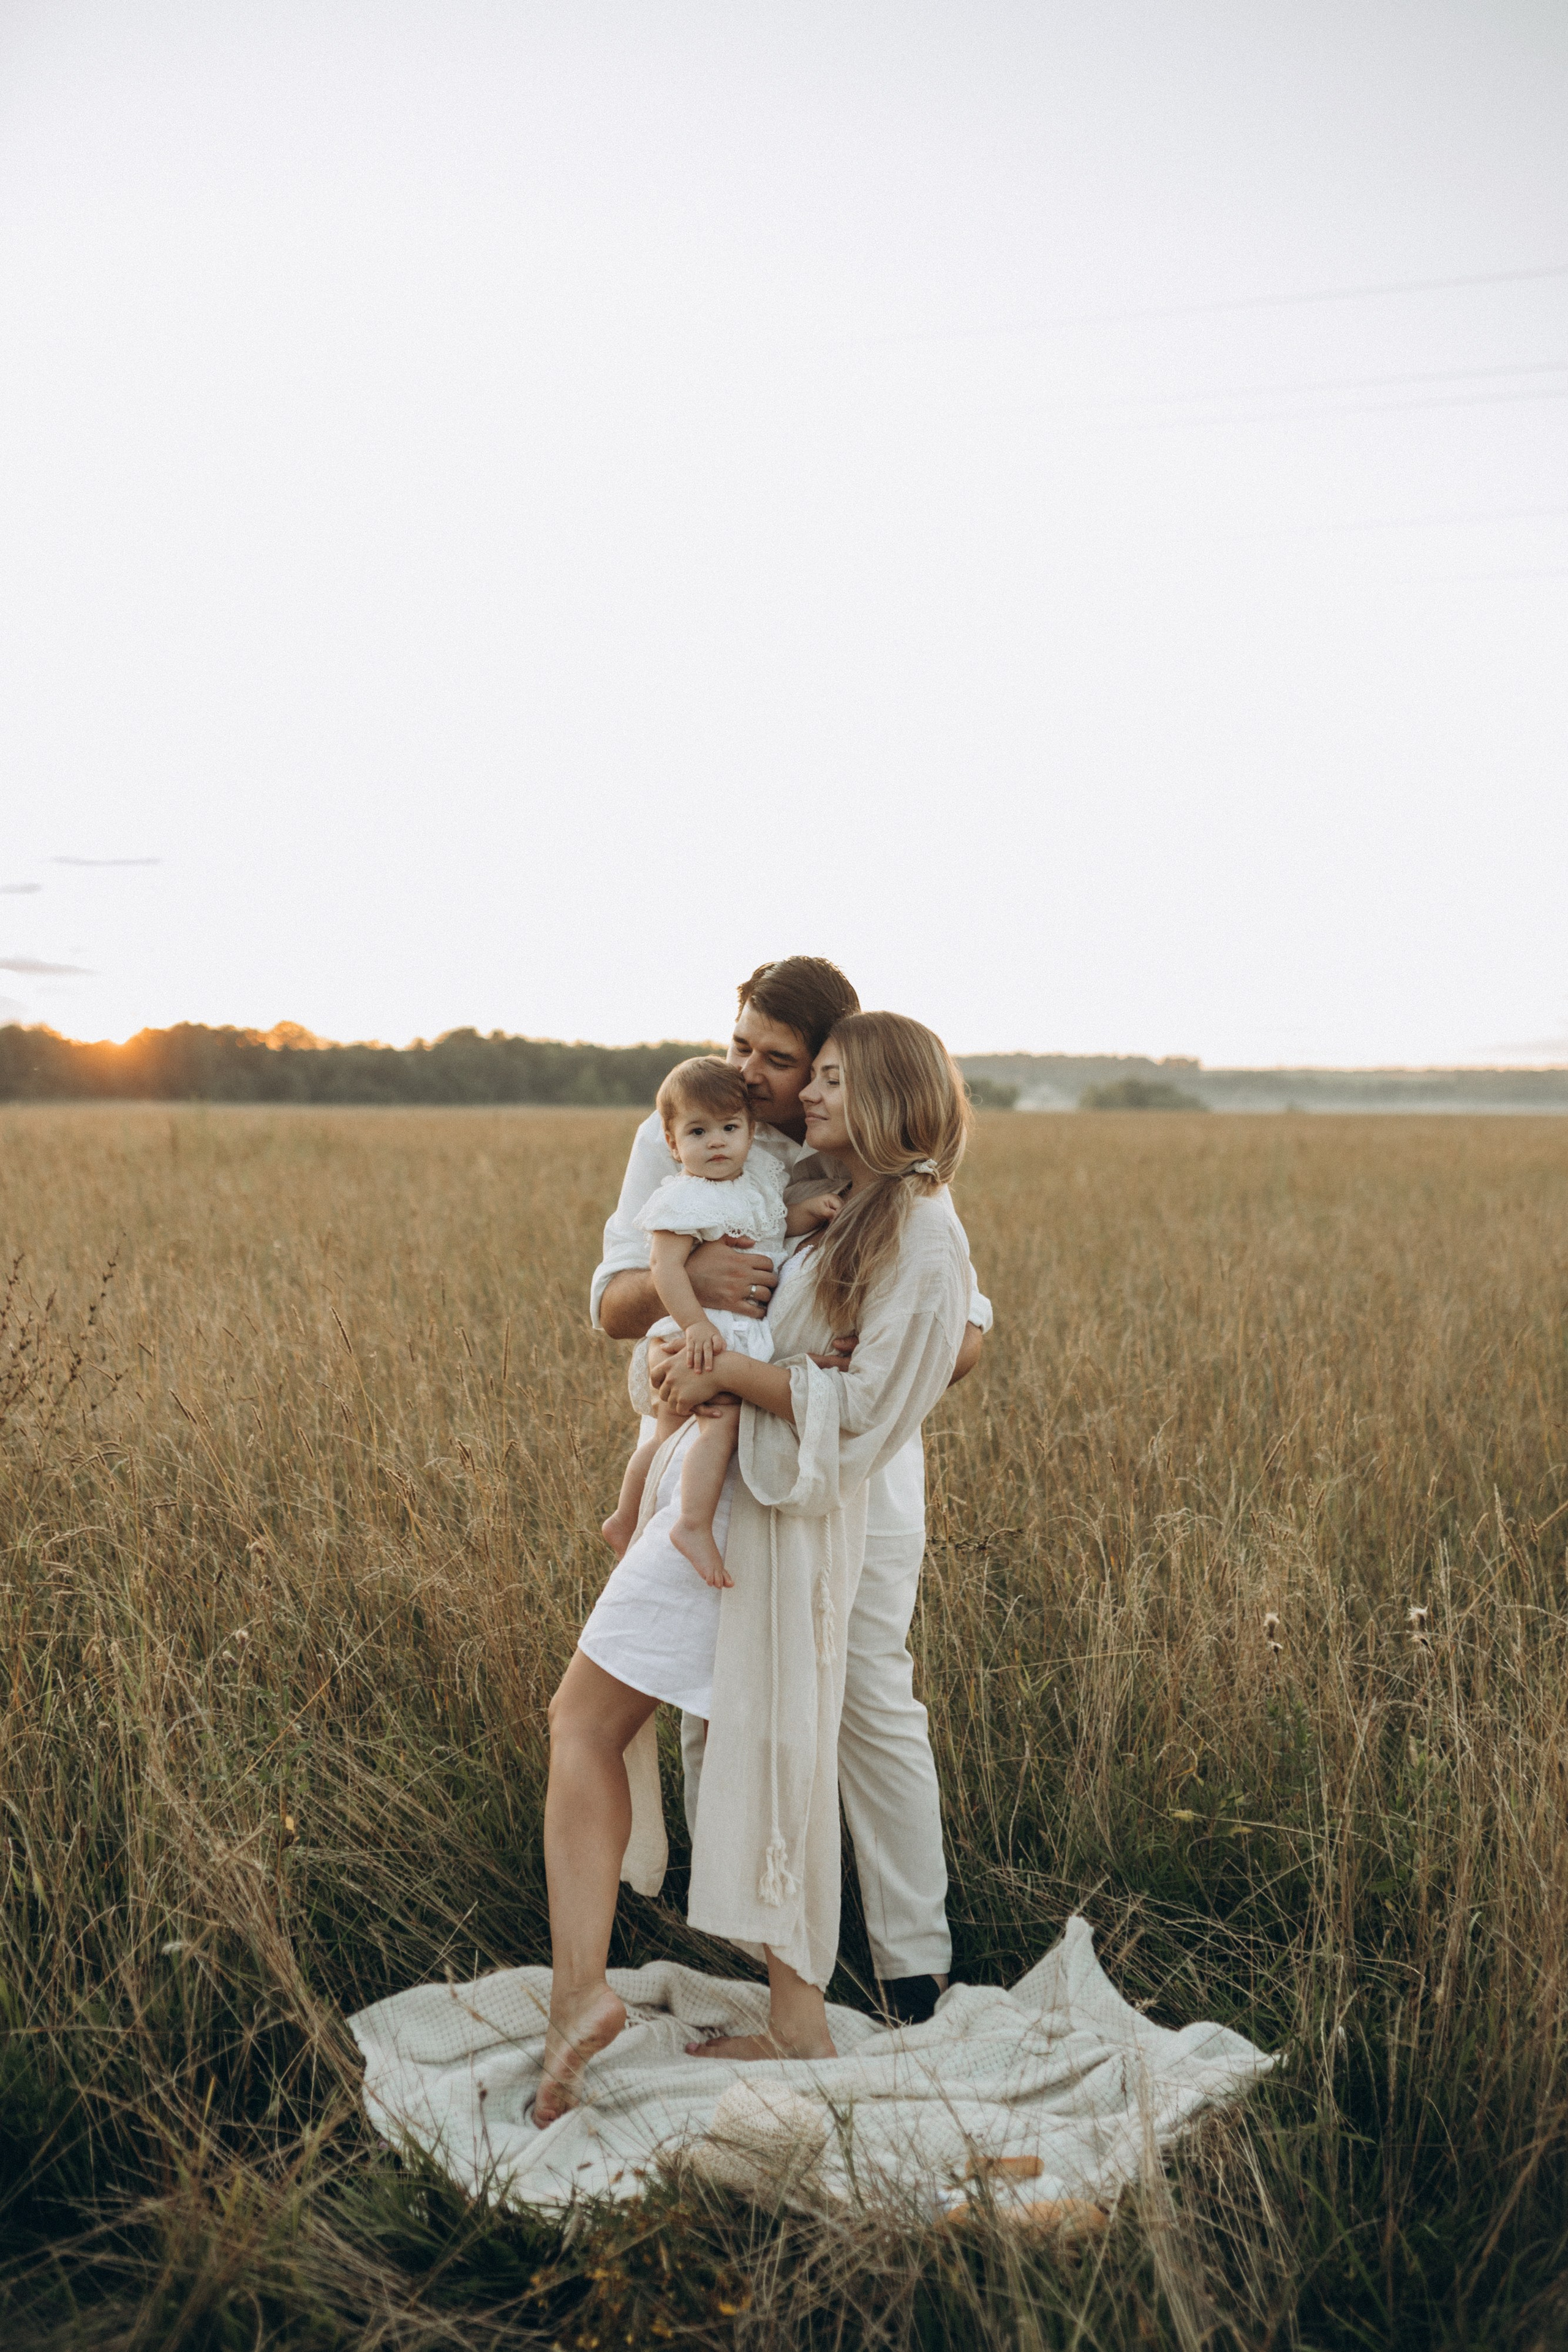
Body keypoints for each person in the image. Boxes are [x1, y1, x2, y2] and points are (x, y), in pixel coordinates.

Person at [538, 1011, 976, 2121]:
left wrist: (734, 1372)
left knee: (609, 1722)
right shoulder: (830, 1193)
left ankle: (598, 2001)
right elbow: (643, 1304)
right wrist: (702, 1356)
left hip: (764, 1507)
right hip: (733, 1491)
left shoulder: (917, 1224)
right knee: (761, 1741)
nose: (795, 1090)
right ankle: (788, 2017)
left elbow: (880, 1392)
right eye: (796, 1071)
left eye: (823, 1075)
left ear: (883, 1094)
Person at [600, 1054, 839, 1583]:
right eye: (698, 1132)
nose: (716, 1143)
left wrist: (812, 1211)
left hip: (728, 1329)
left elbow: (773, 1227)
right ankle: (692, 1523)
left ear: (750, 1132)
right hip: (704, 1330)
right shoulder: (683, 1198)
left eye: (729, 1129)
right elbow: (664, 1270)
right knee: (721, 1423)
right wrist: (695, 1326)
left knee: (667, 1435)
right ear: (673, 1143)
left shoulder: (755, 1183)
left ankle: (624, 1518)